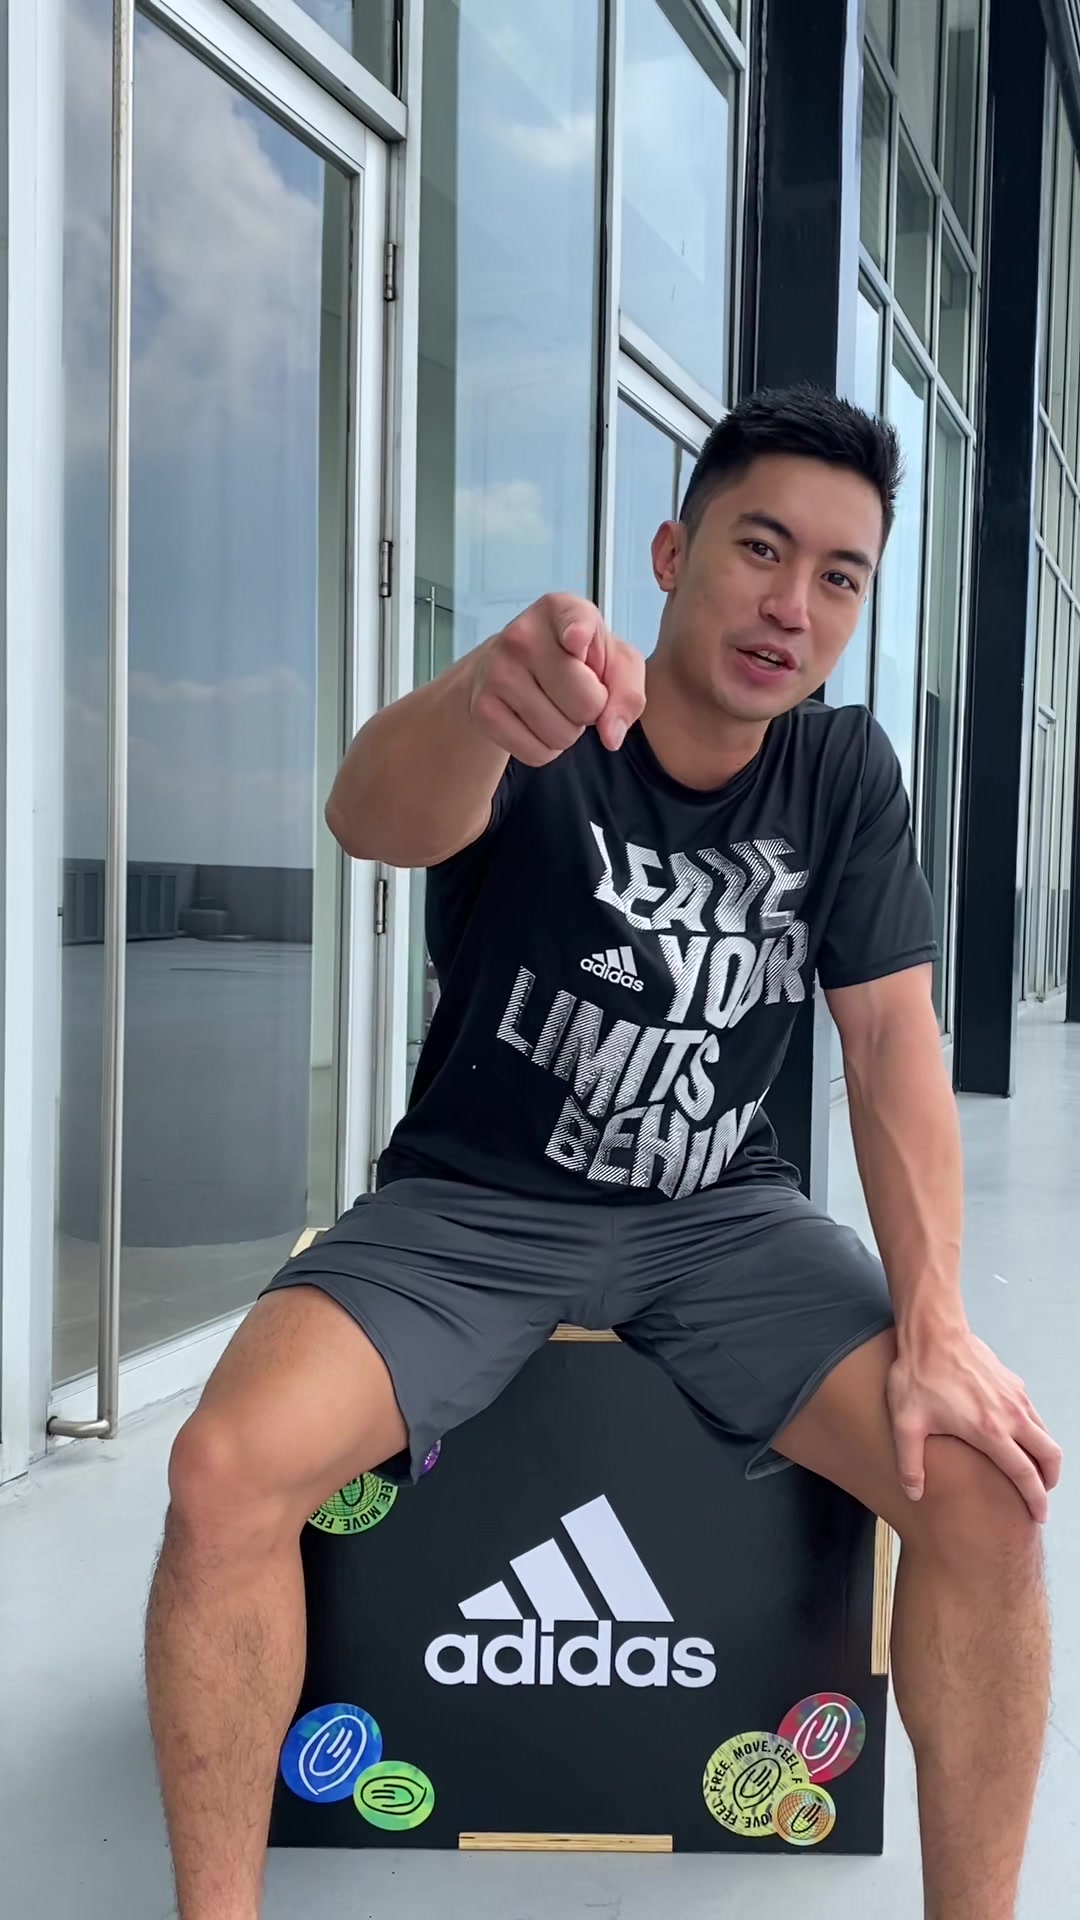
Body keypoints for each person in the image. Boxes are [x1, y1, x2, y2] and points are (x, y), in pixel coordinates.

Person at [145, 385, 1061, 1920]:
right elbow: (371, 818)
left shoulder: (843, 777)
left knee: (985, 1487)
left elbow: (892, 1045)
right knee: (220, 1473)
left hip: (722, 1219)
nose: (794, 603)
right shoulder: (548, 720)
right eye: (760, 548)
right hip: (470, 1209)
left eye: (839, 575)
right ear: (672, 554)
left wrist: (937, 1323)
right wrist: (473, 699)